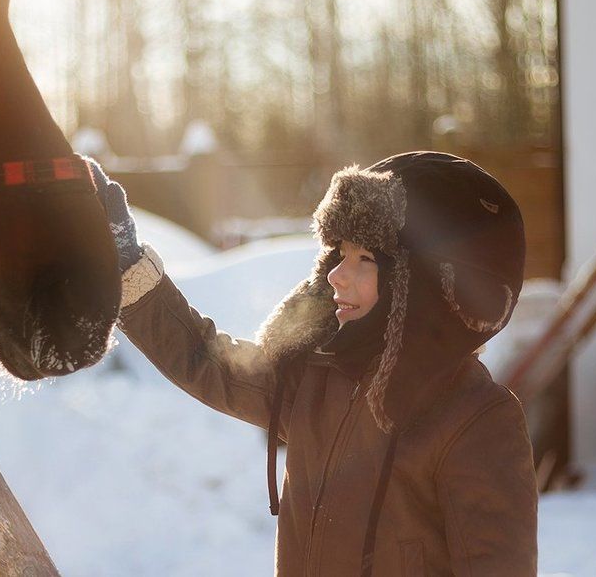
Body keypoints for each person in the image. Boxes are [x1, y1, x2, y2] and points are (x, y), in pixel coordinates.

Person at [88, 151, 538, 576]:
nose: (337, 275)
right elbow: (209, 362)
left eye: (365, 259)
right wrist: (129, 264)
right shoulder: (318, 380)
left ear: (425, 285)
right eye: (340, 253)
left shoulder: (476, 419)